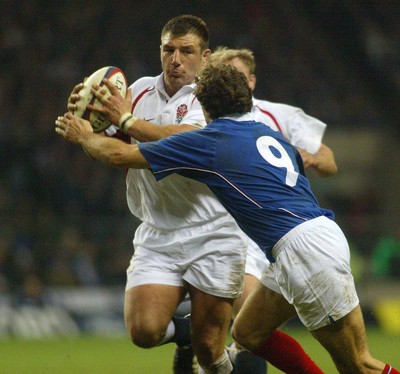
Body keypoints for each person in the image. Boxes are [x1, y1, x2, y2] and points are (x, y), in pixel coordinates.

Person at [56, 63, 399, 374]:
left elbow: (120, 155)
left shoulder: (212, 141)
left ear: (205, 108)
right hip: (319, 235)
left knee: (359, 366)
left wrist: (86, 135)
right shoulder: (270, 134)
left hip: (303, 251)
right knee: (248, 332)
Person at [64, 15, 325, 374]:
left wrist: (125, 122)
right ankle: (184, 331)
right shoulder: (137, 91)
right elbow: (114, 144)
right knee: (144, 330)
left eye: (186, 51)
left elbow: (182, 139)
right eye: (168, 49)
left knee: (210, 348)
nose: (175, 59)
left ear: (205, 57)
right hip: (158, 230)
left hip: (213, 231)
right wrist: (87, 114)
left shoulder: (215, 100)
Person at [207, 46, 338, 373]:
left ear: (251, 80)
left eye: (236, 76)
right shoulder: (206, 115)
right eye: (223, 76)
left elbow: (330, 161)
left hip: (283, 230)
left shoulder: (280, 115)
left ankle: (194, 336)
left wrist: (308, 158)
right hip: (230, 231)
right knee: (248, 327)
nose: (230, 82)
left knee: (250, 331)